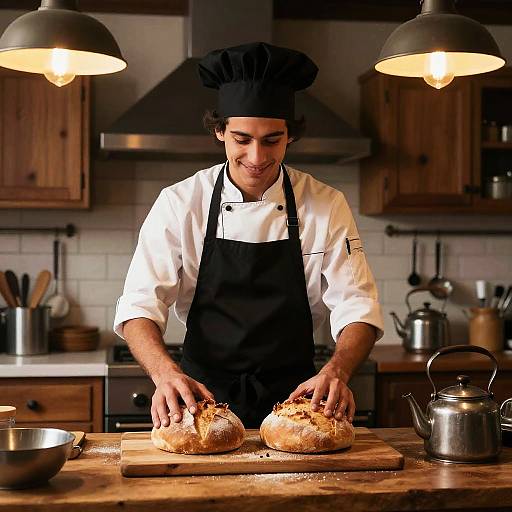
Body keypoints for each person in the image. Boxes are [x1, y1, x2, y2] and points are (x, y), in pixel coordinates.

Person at [113, 42, 383, 429]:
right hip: (199, 403)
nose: (257, 157)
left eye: (272, 139)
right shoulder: (179, 203)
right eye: (242, 139)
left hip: (299, 403)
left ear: (290, 135)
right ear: (219, 131)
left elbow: (357, 306)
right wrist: (164, 374)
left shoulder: (326, 204)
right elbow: (140, 305)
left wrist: (337, 371)